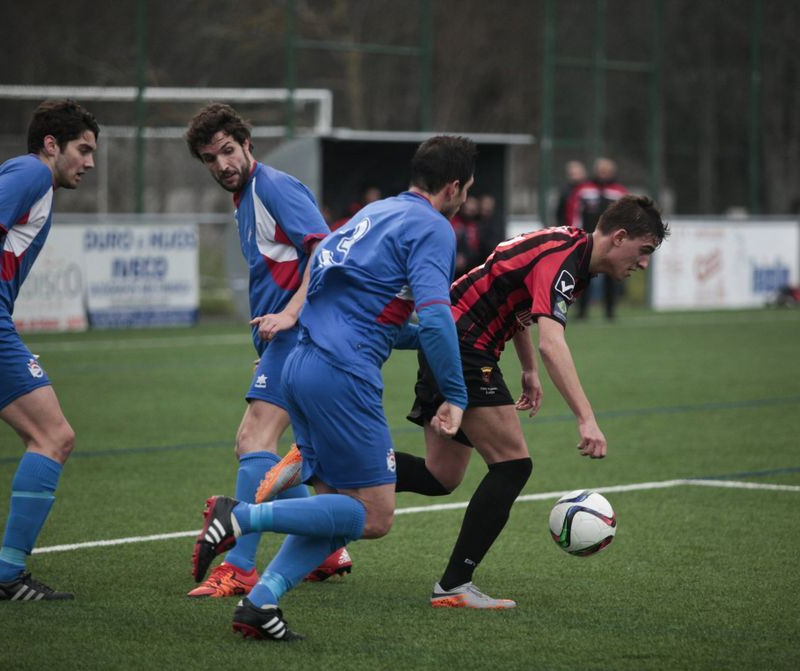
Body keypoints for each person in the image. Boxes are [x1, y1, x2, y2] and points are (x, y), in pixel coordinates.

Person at [250, 195, 668, 610]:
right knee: (513, 466)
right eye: (644, 250)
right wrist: (586, 419)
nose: (644, 263)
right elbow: (552, 344)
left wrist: (526, 370)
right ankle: (454, 585)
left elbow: (516, 297)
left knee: (441, 475)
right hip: (464, 349)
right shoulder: (566, 261)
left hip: (454, 346)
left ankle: (310, 461)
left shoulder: (568, 247)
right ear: (619, 236)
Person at [190, 135, 477, 641]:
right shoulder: (433, 227)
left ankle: (261, 603)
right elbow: (433, 320)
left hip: (299, 362)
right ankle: (241, 517)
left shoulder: (373, 213)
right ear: (454, 187)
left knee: (337, 511)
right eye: (468, 190)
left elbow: (362, 306)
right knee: (374, 515)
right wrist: (454, 394)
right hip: (342, 373)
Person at [183, 103, 351, 598]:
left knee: (254, 440)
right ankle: (324, 544)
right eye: (211, 159)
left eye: (228, 151)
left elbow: (324, 251)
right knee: (294, 457)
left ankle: (239, 566)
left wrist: (292, 316)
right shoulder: (245, 197)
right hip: (287, 339)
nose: (222, 165)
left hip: (302, 334)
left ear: (246, 145)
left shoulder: (273, 186)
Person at [0, 100, 99, 601]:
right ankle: (8, 577)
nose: (89, 162)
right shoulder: (32, 171)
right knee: (53, 436)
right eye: (83, 149)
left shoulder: (1, 175)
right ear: (51, 144)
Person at [585, 158, 630, 320]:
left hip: (613, 242)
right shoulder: (585, 189)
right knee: (584, 275)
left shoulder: (619, 191)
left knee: (611, 275)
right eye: (600, 169)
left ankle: (610, 311)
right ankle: (582, 312)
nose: (603, 173)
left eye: (606, 170)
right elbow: (575, 212)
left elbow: (627, 216)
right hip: (588, 240)